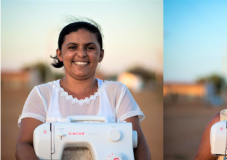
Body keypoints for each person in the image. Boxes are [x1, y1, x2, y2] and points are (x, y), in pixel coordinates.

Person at [16, 20, 151, 160]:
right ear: (60, 54)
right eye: (72, 47)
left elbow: (138, 143)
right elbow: (24, 145)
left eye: (90, 47)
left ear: (101, 55)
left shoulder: (118, 92)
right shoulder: (42, 94)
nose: (81, 54)